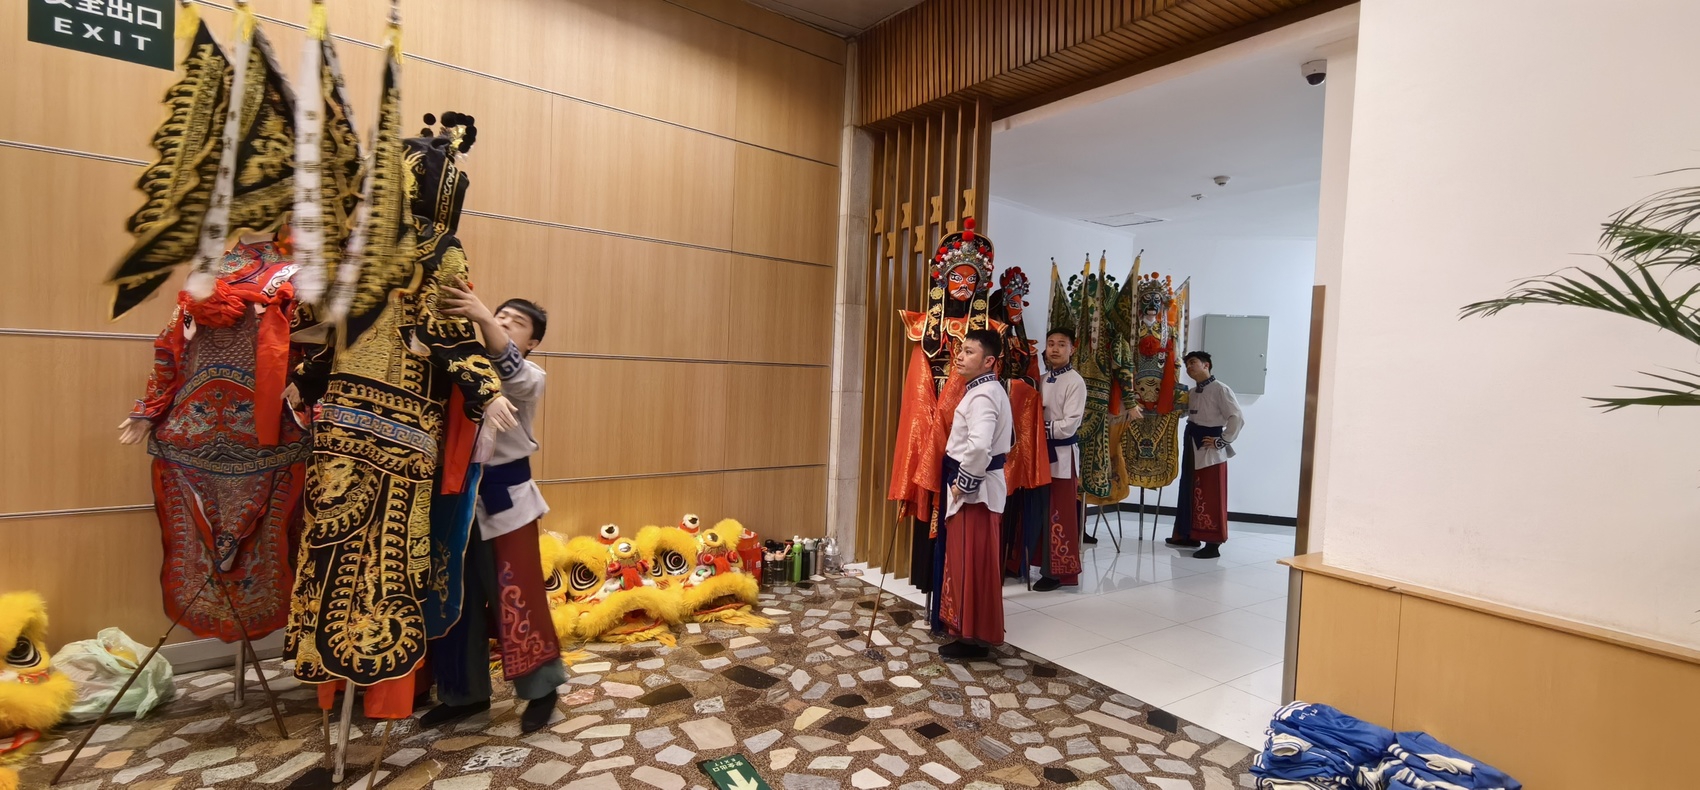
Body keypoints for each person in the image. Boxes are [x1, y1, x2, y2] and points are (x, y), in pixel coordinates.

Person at [423, 287, 567, 733]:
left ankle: (541, 690)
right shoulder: (460, 365)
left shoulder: (529, 376)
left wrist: (485, 318)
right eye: (500, 315)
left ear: (532, 343)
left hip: (508, 504)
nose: (503, 321)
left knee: (517, 597)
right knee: (454, 597)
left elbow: (512, 372)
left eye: (515, 322)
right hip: (453, 500)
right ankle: (463, 694)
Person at [936, 328, 1013, 659]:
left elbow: (980, 445)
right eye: (961, 350)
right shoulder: (985, 390)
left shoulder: (983, 395)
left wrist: (963, 484)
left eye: (969, 352)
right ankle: (970, 631)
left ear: (989, 361)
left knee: (970, 562)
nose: (960, 356)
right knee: (972, 561)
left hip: (976, 493)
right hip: (980, 487)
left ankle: (972, 636)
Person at [1167, 351, 1244, 559]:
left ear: (1206, 365)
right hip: (1192, 442)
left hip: (1210, 447)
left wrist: (1222, 440)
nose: (1189, 368)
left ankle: (1213, 543)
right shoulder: (1192, 392)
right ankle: (1188, 534)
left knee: (1210, 493)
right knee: (1189, 488)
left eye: (1193, 362)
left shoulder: (1221, 389)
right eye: (1187, 365)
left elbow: (1236, 417)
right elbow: (1183, 413)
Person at [1033, 328, 1088, 591]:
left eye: (1061, 344)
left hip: (1062, 456)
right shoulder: (1042, 379)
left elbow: (1069, 425)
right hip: (1040, 454)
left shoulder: (1075, 381)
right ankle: (1038, 563)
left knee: (1059, 512)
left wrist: (1039, 428)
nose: (1055, 349)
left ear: (1072, 349)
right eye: (1051, 343)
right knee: (1040, 510)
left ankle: (1058, 572)